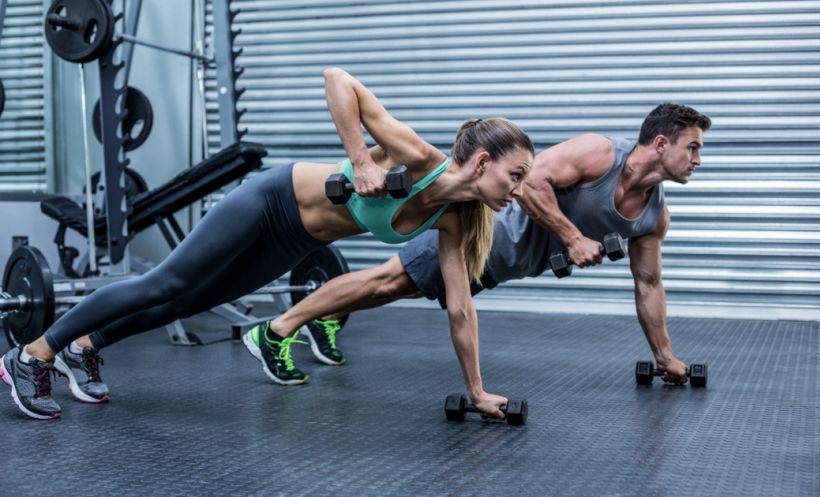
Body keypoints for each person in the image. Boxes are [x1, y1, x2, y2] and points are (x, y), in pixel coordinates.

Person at [0, 68, 534, 420]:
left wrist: (479, 390)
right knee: (166, 282)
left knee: (190, 301)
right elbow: (337, 79)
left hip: (294, 239)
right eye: (515, 175)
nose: (518, 189)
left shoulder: (455, 223)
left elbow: (461, 310)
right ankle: (30, 355)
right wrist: (363, 159)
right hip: (269, 199)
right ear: (483, 162)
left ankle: (84, 347)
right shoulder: (417, 155)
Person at [255, 103, 711, 385]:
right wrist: (572, 238)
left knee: (401, 286)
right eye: (692, 147)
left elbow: (649, 284)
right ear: (658, 143)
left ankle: (324, 319)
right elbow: (530, 181)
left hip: (502, 266)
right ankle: (278, 329)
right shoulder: (599, 153)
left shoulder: (654, 215)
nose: (697, 159)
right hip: (483, 234)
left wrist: (664, 356)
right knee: (387, 281)